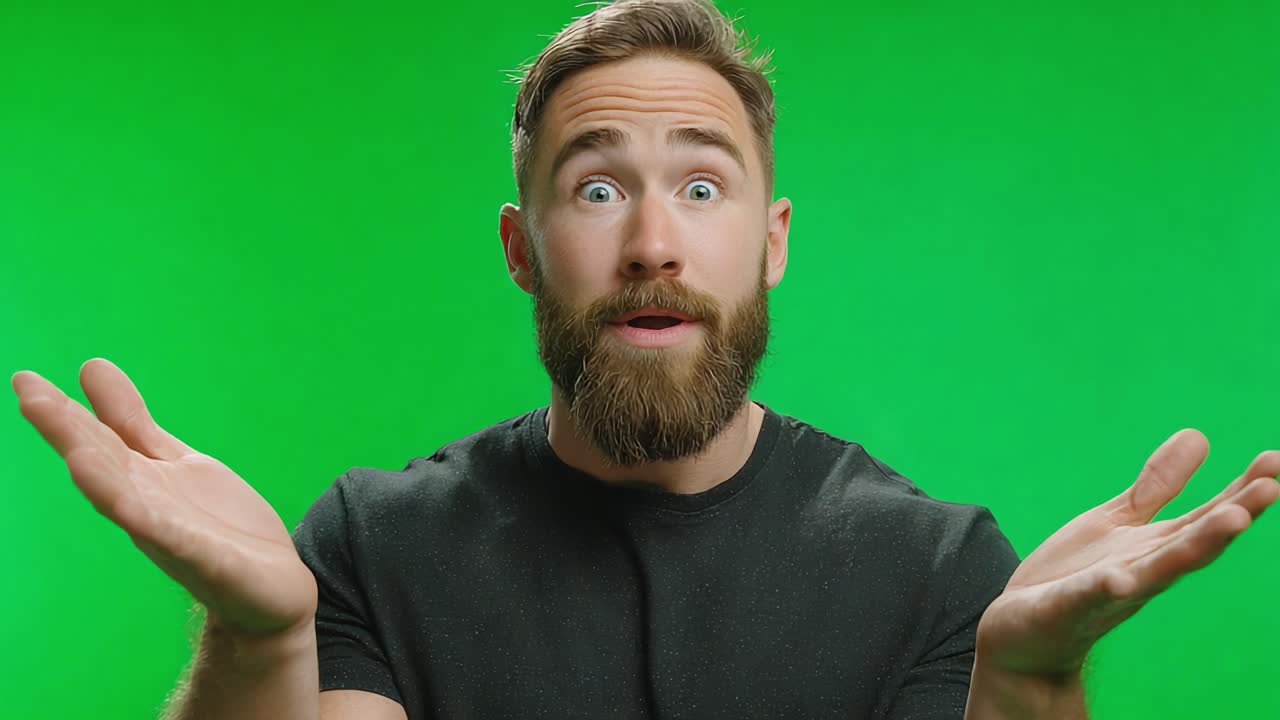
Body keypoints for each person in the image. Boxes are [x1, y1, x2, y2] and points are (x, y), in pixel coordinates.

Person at [11, 1, 1279, 718]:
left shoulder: (938, 572)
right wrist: (250, 644)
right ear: (523, 247)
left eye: (704, 185)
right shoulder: (368, 548)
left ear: (771, 242)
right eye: (600, 184)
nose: (655, 244)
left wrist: (1027, 686)